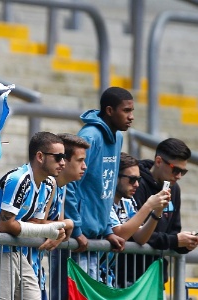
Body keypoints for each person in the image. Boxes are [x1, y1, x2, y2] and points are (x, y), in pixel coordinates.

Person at [0, 131, 67, 300]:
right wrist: (47, 229)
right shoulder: (19, 179)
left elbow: (39, 224)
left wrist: (56, 228)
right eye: (58, 157)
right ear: (40, 157)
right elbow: (8, 226)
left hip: (14, 249)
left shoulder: (49, 184)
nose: (63, 163)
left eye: (64, 157)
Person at [62, 87, 133, 287]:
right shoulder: (90, 137)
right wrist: (76, 229)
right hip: (77, 239)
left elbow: (106, 187)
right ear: (110, 111)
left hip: (97, 236)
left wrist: (108, 230)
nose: (131, 117)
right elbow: (70, 184)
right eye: (126, 111)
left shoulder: (118, 137)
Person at [129, 138, 196, 286]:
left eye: (183, 172)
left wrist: (185, 244)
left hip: (155, 277)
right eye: (176, 169)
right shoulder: (135, 184)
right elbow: (133, 233)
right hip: (129, 276)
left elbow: (173, 232)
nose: (178, 176)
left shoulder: (174, 188)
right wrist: (175, 240)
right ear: (158, 161)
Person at [98, 152, 170, 287]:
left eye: (139, 179)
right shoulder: (104, 199)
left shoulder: (127, 202)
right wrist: (148, 206)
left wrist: (157, 211)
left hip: (109, 275)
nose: (136, 184)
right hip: (92, 272)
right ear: (115, 177)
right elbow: (120, 234)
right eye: (132, 179)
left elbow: (141, 238)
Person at [39, 133, 88, 299]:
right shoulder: (47, 183)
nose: (85, 166)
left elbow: (57, 229)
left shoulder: (64, 186)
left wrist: (65, 225)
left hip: (33, 262)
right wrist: (68, 223)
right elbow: (39, 224)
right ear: (64, 161)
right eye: (80, 160)